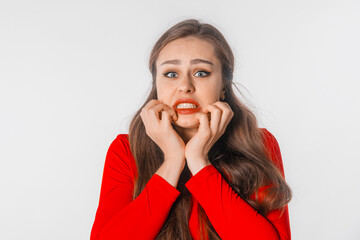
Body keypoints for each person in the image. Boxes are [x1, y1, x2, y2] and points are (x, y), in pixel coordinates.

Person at [90, 19, 292, 240]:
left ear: (223, 87)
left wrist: (199, 162)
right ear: (156, 85)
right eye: (171, 74)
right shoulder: (125, 150)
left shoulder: (258, 143)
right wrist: (173, 161)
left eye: (201, 73)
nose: (185, 85)